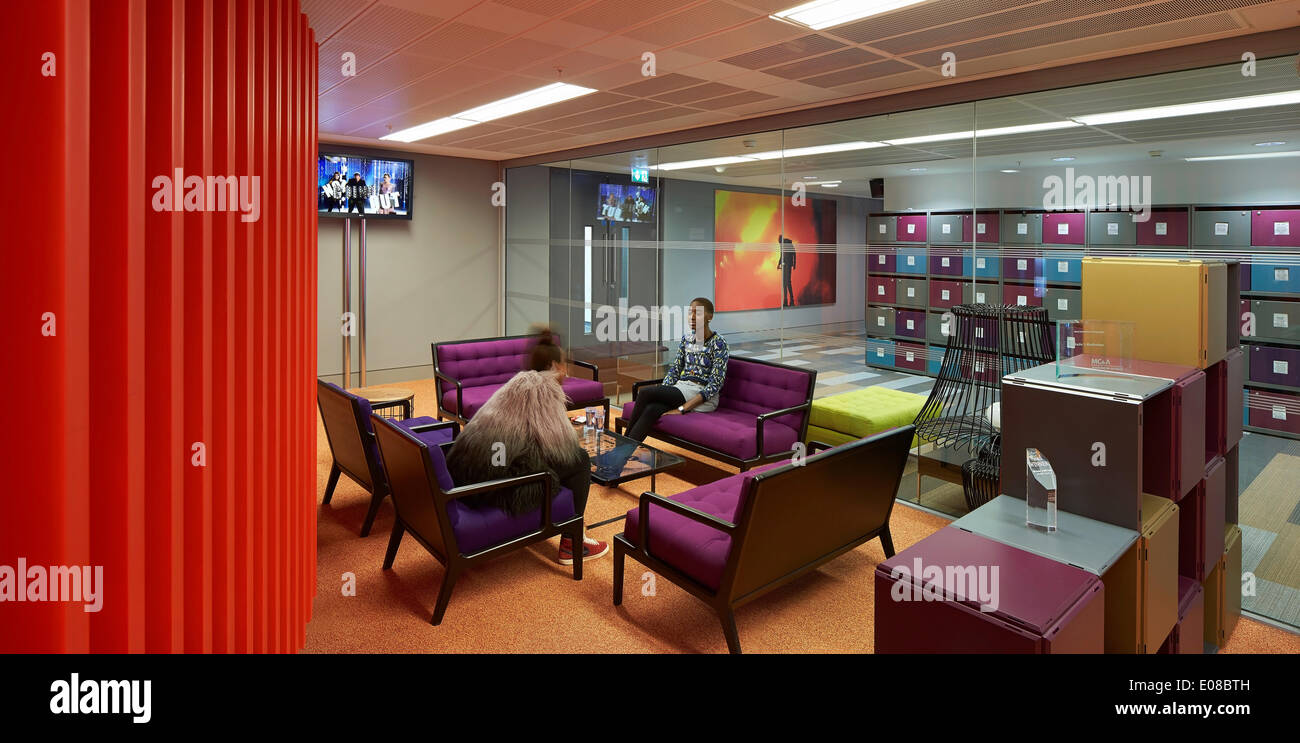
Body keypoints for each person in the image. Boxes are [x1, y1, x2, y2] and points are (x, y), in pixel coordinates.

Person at [444, 328, 609, 565]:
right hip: (493, 483)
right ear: (554, 365)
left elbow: (518, 435)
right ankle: (573, 543)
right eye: (564, 364)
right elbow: (564, 448)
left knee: (553, 458)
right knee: (580, 460)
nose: (567, 371)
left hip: (468, 471)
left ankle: (564, 523)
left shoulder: (516, 383)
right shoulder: (546, 388)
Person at [597, 297, 728, 476]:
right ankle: (617, 464)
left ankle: (616, 455)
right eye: (690, 312)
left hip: (701, 396)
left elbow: (715, 385)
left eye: (697, 313)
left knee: (644, 395)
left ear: (709, 317)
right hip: (682, 389)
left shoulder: (718, 344)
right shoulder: (687, 339)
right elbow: (675, 371)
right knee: (652, 409)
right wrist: (664, 393)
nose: (691, 316)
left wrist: (682, 409)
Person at [778, 235, 797, 307]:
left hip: (788, 265)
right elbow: (782, 255)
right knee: (784, 283)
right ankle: (785, 301)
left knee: (788, 282)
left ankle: (791, 300)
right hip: (784, 265)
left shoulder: (788, 243)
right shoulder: (782, 245)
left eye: (780, 242)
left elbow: (794, 253)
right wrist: (779, 263)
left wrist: (794, 263)